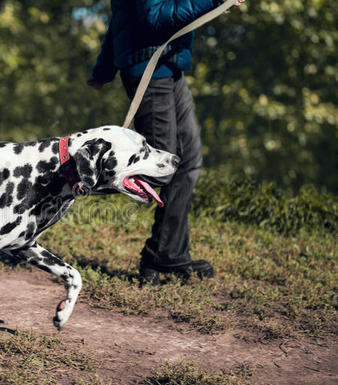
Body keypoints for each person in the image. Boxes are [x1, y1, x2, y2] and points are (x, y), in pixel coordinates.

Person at [87, 0, 245, 283]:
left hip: (168, 68)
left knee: (188, 160)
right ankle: (75, 181)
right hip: (148, 70)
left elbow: (121, 18)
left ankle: (168, 254)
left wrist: (103, 69)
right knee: (163, 166)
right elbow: (153, 18)